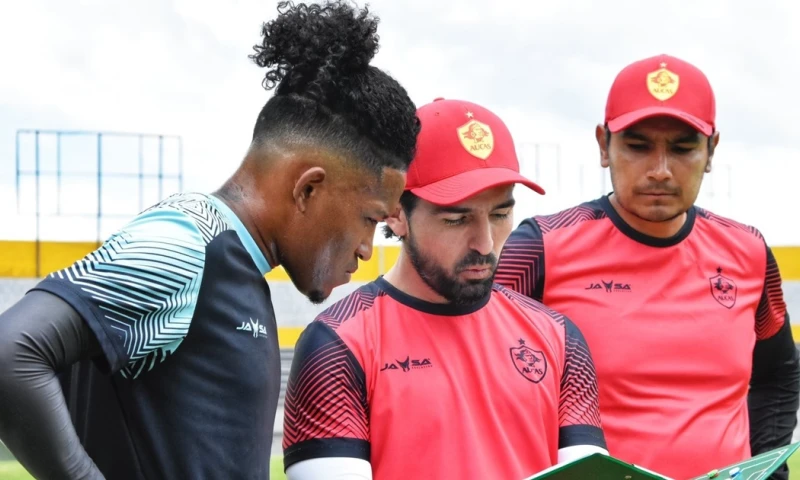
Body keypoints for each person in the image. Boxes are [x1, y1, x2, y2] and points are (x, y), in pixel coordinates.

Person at [0, 1, 421, 479]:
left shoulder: (239, 269)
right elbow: (10, 351)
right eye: (369, 218)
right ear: (308, 188)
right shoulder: (185, 244)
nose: (368, 248)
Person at [495, 53, 800, 480]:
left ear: (711, 151)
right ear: (604, 145)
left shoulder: (748, 251)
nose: (660, 170)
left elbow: (779, 372)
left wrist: (770, 470)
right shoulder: (540, 248)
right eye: (638, 146)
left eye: (682, 148)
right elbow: (480, 387)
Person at [281, 97, 608, 480]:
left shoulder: (559, 337)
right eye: (457, 219)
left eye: (501, 215)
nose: (485, 243)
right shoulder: (338, 345)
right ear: (397, 213)